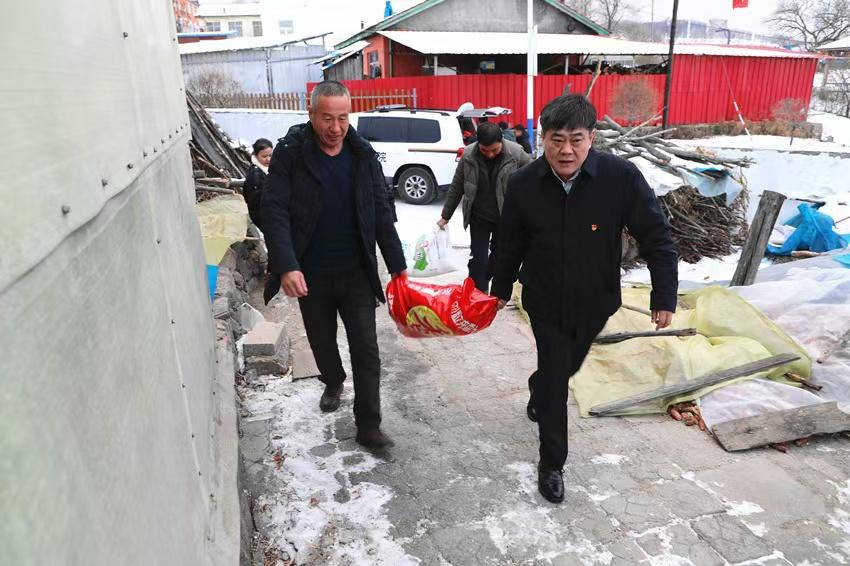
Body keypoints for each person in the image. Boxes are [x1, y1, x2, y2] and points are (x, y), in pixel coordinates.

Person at [491, 94, 678, 504]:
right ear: (543, 139)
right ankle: (551, 464)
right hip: (544, 299)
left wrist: (664, 294)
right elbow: (508, 244)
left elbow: (657, 236)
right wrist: (497, 292)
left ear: (591, 138)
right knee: (557, 376)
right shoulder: (524, 184)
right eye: (557, 140)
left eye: (576, 139)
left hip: (597, 299)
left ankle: (539, 387)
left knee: (564, 368)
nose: (566, 150)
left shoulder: (620, 178)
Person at [262, 80, 407, 449]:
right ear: (311, 115)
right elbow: (274, 209)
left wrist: (397, 265)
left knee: (366, 348)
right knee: (322, 340)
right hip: (310, 273)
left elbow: (380, 210)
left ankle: (368, 424)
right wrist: (287, 264)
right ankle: (333, 379)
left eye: (343, 118)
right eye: (327, 118)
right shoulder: (291, 154)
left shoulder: (362, 155)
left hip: (356, 271)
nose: (336, 127)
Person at [437, 122, 533, 293]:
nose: (489, 154)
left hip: (505, 217)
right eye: (484, 150)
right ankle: (477, 294)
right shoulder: (468, 156)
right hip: (479, 216)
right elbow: (457, 187)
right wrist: (445, 216)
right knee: (478, 258)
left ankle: (487, 280)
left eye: (494, 150)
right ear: (478, 144)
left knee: (498, 257)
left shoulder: (516, 153)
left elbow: (533, 176)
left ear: (501, 142)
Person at [242, 138, 273, 229]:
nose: (268, 159)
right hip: (265, 219)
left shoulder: (267, 169)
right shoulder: (256, 176)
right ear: (256, 155)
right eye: (264, 156)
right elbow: (255, 205)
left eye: (270, 155)